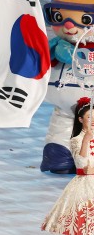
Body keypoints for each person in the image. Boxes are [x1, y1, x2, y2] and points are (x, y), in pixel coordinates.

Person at [42, 98, 94, 233]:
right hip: (85, 185)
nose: (93, 120)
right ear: (81, 119)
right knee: (84, 224)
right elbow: (82, 166)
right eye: (89, 117)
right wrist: (85, 142)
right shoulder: (76, 140)